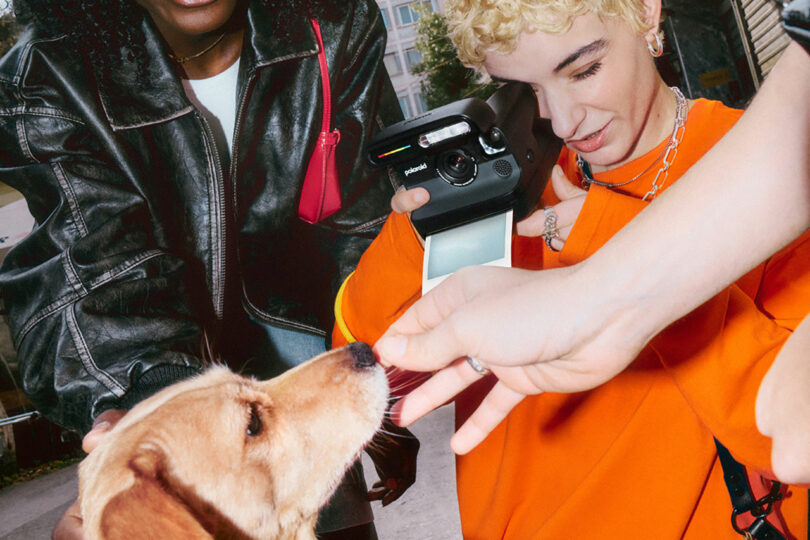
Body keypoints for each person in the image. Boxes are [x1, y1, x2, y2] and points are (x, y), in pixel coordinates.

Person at [332, 0, 810, 537]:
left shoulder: (777, 176)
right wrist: (420, 232)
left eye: (583, 70)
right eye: (526, 90)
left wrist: (618, 243)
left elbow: (785, 436)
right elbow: (358, 355)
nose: (561, 120)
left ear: (647, 15)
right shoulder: (505, 186)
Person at [0, 0, 417, 538]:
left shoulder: (335, 22)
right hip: (176, 383)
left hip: (308, 356)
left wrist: (379, 407)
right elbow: (92, 261)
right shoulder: (44, 73)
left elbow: (361, 230)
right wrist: (157, 404)